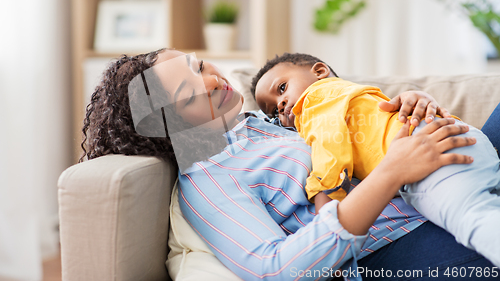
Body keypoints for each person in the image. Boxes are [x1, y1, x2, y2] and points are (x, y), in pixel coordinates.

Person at [81, 48, 494, 280]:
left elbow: (349, 117)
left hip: (446, 173)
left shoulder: (266, 119)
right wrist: (391, 174)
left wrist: (408, 105)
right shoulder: (209, 179)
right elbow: (275, 269)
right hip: (398, 244)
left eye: (200, 66)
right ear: (169, 127)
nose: (212, 80)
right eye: (190, 95)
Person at [251, 52, 500, 267]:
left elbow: (329, 149)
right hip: (456, 139)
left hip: (429, 156)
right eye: (273, 111)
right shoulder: (348, 99)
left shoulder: (314, 100)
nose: (281, 105)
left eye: (282, 89)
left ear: (319, 71)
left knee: (473, 219)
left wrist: (325, 208)